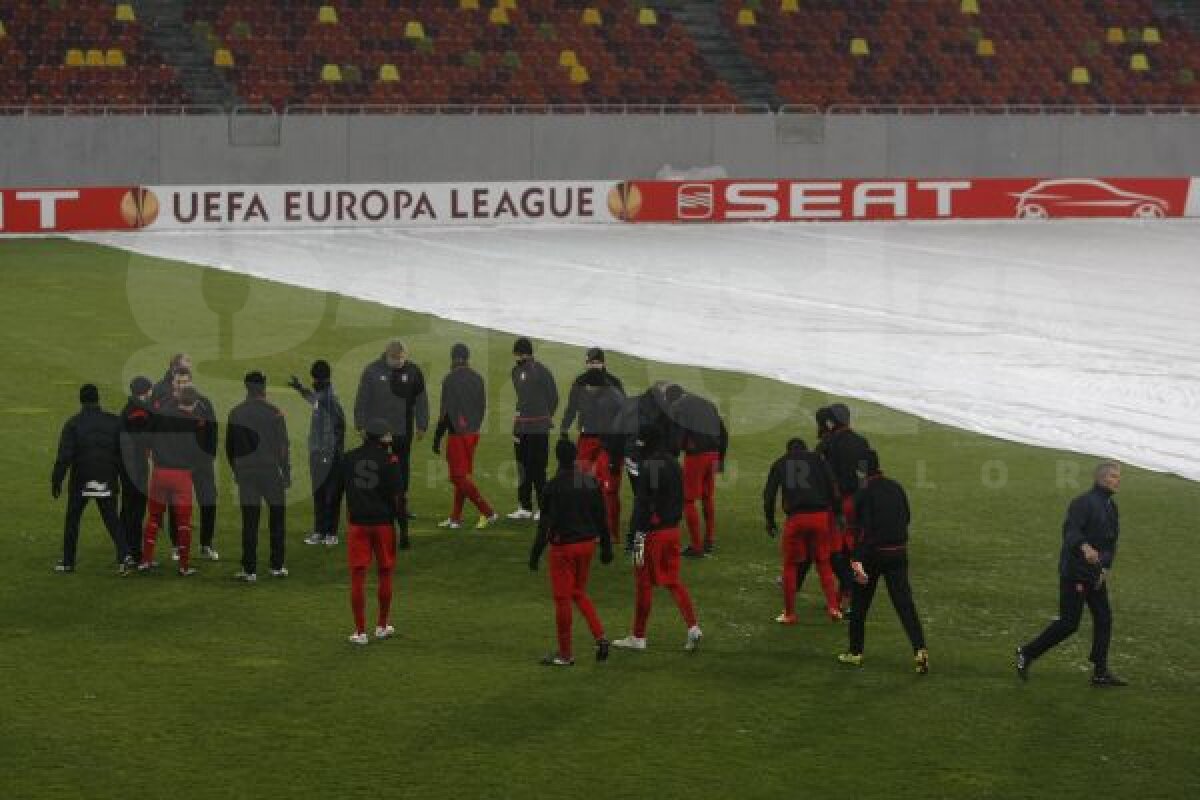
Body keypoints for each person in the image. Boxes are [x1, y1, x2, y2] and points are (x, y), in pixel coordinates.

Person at [1016, 461, 1126, 686]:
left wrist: (1105, 568)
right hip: (1075, 574)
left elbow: (1111, 543)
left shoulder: (1111, 507)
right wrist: (1084, 547)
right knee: (1069, 624)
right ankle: (1027, 652)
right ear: (1101, 478)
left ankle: (1100, 671)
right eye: (1114, 476)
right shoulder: (1083, 503)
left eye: (1118, 476)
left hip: (1095, 575)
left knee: (1104, 618)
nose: (1118, 480)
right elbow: (1070, 531)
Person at [612, 429, 703, 653]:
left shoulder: (651, 466)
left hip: (648, 535)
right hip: (672, 531)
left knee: (643, 584)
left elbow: (646, 502)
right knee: (673, 581)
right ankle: (693, 626)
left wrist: (635, 534)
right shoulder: (674, 464)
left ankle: (638, 637)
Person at [837, 450, 928, 674]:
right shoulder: (896, 487)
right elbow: (907, 517)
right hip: (898, 552)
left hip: (873, 555)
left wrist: (857, 558)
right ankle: (919, 648)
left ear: (862, 471)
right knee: (904, 604)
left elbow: (862, 529)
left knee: (860, 605)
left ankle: (855, 652)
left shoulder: (863, 493)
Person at [529, 438, 613, 666]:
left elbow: (544, 525)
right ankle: (600, 637)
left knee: (562, 599)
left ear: (557, 458)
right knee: (578, 592)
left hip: (563, 548)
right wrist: (606, 547)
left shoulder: (552, 486)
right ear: (576, 457)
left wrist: (535, 554)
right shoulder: (590, 482)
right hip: (587, 545)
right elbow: (601, 518)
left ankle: (565, 655)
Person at [339, 419, 407, 645]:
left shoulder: (348, 458)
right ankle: (382, 626)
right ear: (383, 438)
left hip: (358, 524)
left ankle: (360, 632)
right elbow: (399, 498)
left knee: (357, 576)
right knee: (385, 573)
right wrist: (404, 530)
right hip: (383, 524)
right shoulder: (390, 460)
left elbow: (339, 490)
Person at [51, 384, 130, 574]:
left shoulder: (73, 424)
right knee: (112, 518)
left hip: (82, 479)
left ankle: (68, 562)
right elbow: (124, 453)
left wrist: (57, 479)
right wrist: (125, 479)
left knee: (73, 520)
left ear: (81, 400)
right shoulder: (114, 422)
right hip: (106, 476)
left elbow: (64, 456)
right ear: (98, 399)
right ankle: (124, 555)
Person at [763, 437, 841, 623]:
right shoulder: (818, 459)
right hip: (820, 517)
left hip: (796, 519)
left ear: (788, 450)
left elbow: (769, 496)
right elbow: (833, 487)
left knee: (791, 565)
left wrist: (770, 520)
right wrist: (838, 513)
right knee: (823, 562)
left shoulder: (780, 463)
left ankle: (790, 614)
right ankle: (833, 607)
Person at [226, 372, 291, 582]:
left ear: (246, 387)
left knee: (250, 522)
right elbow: (283, 446)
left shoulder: (236, 413)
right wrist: (286, 472)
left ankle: (249, 570)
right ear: (264, 386)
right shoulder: (274, 412)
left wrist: (237, 471)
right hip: (271, 472)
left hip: (247, 473)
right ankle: (277, 566)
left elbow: (230, 448)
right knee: (277, 520)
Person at [140, 385, 211, 576]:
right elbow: (201, 452)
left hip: (159, 473)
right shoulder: (197, 422)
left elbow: (146, 439)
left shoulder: (161, 415)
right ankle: (184, 566)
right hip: (182, 476)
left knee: (153, 517)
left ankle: (145, 560)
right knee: (183, 522)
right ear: (195, 403)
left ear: (178, 399)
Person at [153, 362, 219, 563]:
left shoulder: (204, 404)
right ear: (172, 383)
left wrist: (208, 458)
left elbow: (213, 433)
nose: (181, 385)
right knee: (176, 505)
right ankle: (176, 545)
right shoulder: (165, 406)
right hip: (177, 465)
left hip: (202, 464)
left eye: (185, 382)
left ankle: (206, 544)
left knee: (208, 500)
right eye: (178, 382)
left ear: (191, 382)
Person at [560, 348, 625, 543]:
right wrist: (565, 426)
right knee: (583, 483)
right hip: (587, 437)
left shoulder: (614, 385)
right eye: (590, 362)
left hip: (609, 441)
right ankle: (588, 526)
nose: (593, 365)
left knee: (609, 488)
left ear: (603, 363)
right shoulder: (580, 382)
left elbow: (624, 415)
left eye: (596, 362)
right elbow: (572, 406)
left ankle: (610, 532)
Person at [353, 341, 428, 507]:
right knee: (374, 465)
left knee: (402, 467)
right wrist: (360, 424)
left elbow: (421, 399)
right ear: (387, 355)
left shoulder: (413, 371)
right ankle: (374, 504)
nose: (399, 362)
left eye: (402, 358)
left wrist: (422, 424)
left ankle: (401, 505)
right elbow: (362, 399)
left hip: (403, 429)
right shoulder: (372, 370)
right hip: (376, 431)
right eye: (395, 358)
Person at [433, 343, 497, 530]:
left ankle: (488, 511)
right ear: (467, 358)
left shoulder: (449, 379)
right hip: (472, 434)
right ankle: (455, 518)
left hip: (457, 436)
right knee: (461, 476)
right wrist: (474, 427)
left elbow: (445, 412)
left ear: (453, 358)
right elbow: (482, 407)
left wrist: (437, 437)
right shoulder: (478, 378)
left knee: (457, 477)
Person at [816, 403, 871, 606]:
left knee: (833, 552)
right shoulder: (862, 442)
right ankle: (847, 594)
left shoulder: (828, 443)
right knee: (851, 549)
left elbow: (823, 475)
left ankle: (847, 588)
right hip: (856, 501)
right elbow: (864, 476)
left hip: (836, 503)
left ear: (831, 422)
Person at [665, 384, 728, 557]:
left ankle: (696, 546)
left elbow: (677, 438)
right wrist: (721, 459)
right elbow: (723, 433)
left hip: (696, 457)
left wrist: (671, 457)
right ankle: (710, 539)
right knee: (707, 497)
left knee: (688, 500)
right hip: (714, 454)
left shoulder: (678, 407)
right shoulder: (708, 404)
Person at [289, 360, 346, 546]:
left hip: (329, 455)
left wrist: (327, 452)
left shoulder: (331, 400)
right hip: (317, 453)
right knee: (319, 493)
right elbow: (313, 399)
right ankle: (319, 531)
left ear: (321, 379)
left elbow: (338, 428)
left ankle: (331, 533)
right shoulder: (323, 396)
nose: (313, 382)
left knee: (331, 494)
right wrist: (300, 389)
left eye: (314, 379)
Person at [508, 337, 558, 521]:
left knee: (536, 468)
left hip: (535, 427)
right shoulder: (519, 371)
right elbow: (551, 397)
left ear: (520, 354)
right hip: (523, 426)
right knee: (526, 468)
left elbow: (552, 398)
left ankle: (542, 508)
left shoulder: (536, 371)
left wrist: (543, 416)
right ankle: (526, 507)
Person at [118, 376, 154, 564]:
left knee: (127, 508)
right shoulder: (139, 413)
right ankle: (135, 553)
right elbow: (143, 439)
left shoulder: (128, 409)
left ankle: (124, 550)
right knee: (136, 510)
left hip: (127, 465)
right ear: (144, 392)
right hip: (136, 467)